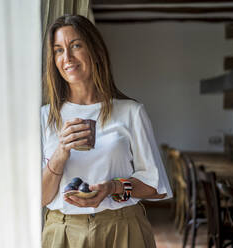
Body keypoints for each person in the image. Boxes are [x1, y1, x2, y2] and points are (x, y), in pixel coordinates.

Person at [41, 14, 172, 248]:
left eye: (76, 46)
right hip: (63, 233)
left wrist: (114, 187)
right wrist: (61, 154)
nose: (67, 57)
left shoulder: (132, 112)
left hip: (123, 229)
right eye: (58, 50)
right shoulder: (45, 117)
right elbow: (39, 198)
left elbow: (156, 187)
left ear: (96, 51)